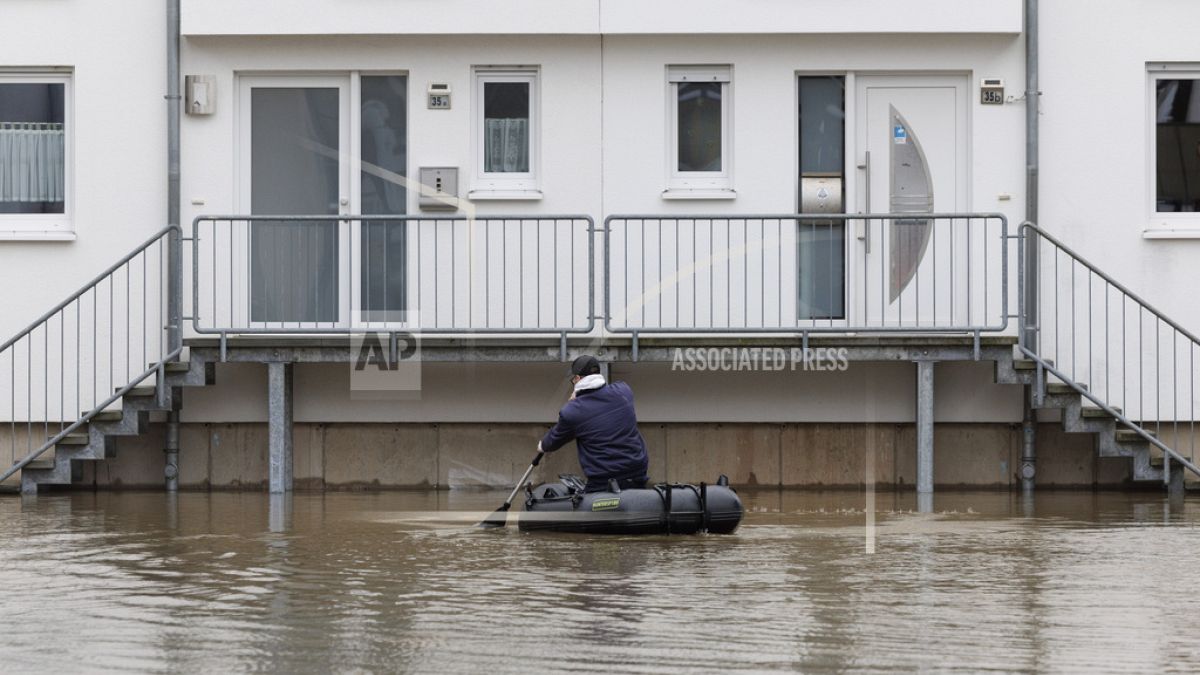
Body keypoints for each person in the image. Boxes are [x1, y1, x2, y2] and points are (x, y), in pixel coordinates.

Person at [538, 355, 649, 492]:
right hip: (638, 472)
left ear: (577, 379)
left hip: (604, 480)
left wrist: (542, 445)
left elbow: (552, 442)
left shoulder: (572, 411)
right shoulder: (623, 391)